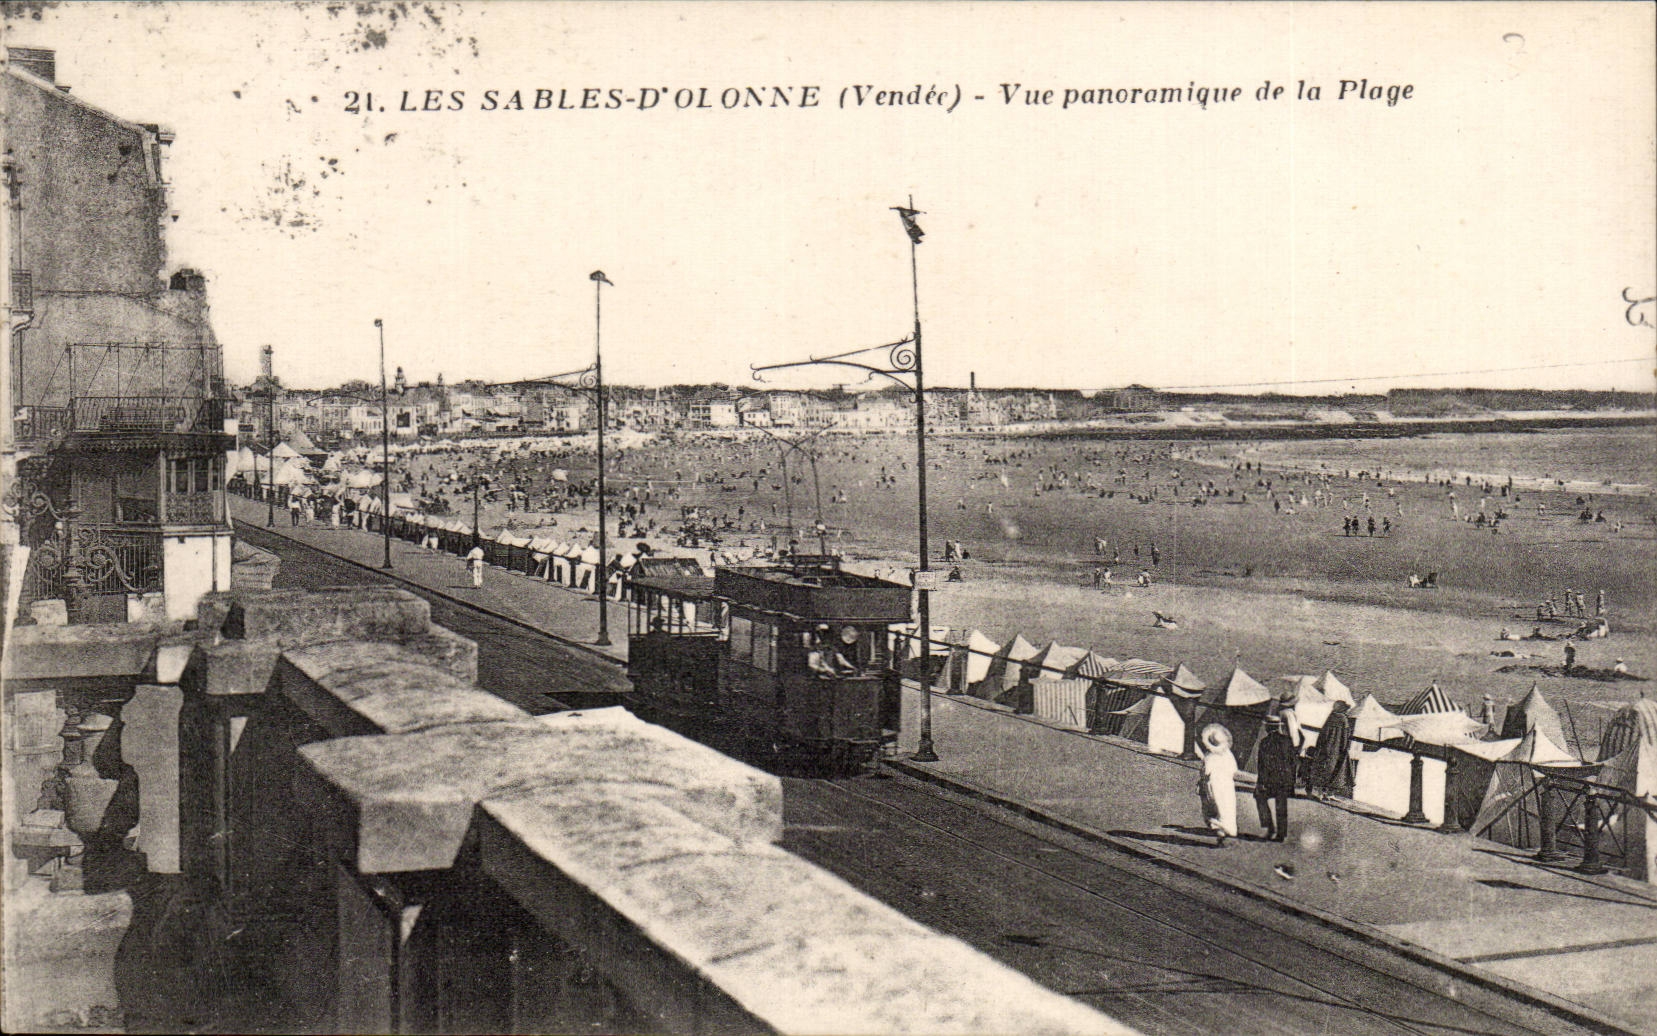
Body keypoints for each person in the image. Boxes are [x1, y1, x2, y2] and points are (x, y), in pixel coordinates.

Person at [1254, 685, 1303, 842]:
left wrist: (1260, 782)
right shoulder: (1289, 719)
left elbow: (1262, 764)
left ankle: (1269, 827)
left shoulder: (1265, 742)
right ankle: (1281, 833)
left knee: (1260, 796)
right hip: (1285, 773)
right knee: (1281, 803)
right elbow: (1296, 740)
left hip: (1271, 776)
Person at [1195, 723, 1238, 847]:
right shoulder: (1228, 755)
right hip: (1227, 784)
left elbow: (1206, 772)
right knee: (1226, 809)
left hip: (1213, 785)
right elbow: (1233, 770)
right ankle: (1226, 833)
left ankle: (1221, 834)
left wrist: (1201, 783)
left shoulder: (1210, 756)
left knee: (1213, 809)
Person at [1305, 700, 1354, 800]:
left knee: (1324, 768)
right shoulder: (1343, 719)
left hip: (1325, 747)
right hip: (1337, 749)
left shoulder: (1330, 717)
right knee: (1337, 770)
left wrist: (1319, 746)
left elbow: (1323, 734)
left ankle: (1320, 792)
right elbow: (1345, 736)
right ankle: (1329, 793)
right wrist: (1345, 748)